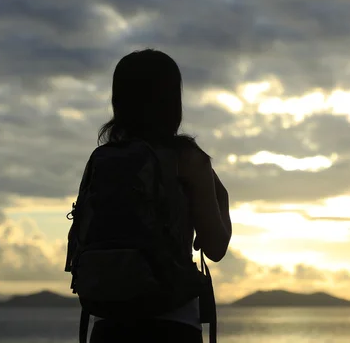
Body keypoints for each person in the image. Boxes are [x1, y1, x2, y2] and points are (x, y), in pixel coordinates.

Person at [66, 49, 231, 343]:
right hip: (172, 323)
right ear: (172, 102)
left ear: (118, 101)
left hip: (106, 323)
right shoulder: (188, 159)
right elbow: (215, 246)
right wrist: (222, 198)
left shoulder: (102, 159)